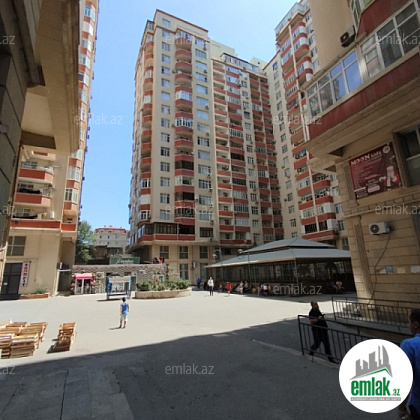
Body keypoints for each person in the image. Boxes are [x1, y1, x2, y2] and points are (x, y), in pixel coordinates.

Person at [399, 309, 420, 420]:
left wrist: (401, 408)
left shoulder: (409, 345)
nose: (408, 326)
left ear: (415, 324)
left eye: (409, 322)